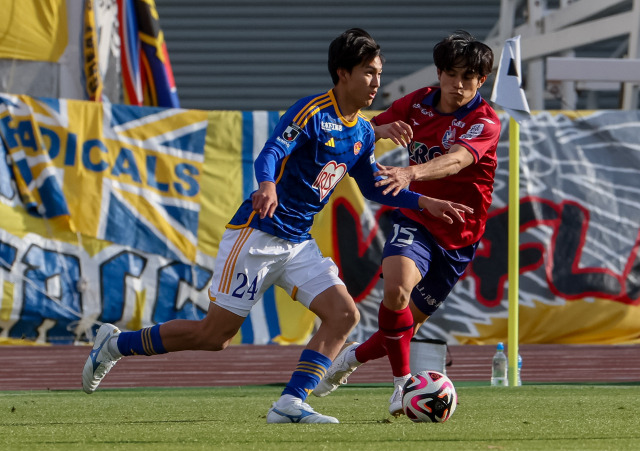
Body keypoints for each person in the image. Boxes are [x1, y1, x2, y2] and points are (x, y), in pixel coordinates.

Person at [82, 28, 472, 424]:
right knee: (214, 337)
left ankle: (290, 403)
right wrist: (266, 186)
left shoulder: (363, 130)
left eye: (378, 73)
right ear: (342, 73)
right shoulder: (313, 112)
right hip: (258, 235)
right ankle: (115, 345)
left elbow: (373, 185)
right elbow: (271, 151)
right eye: (368, 73)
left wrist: (424, 201)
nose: (376, 82)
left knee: (344, 315)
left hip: (298, 244)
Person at [313, 30, 501, 416]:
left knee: (398, 329)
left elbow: (457, 161)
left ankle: (350, 359)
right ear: (439, 73)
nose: (458, 84)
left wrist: (410, 172)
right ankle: (402, 387)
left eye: (469, 77)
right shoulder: (416, 103)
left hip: (459, 237)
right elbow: (362, 131)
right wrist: (377, 130)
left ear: (482, 81)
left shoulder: (485, 120)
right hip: (416, 217)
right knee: (396, 290)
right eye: (451, 74)